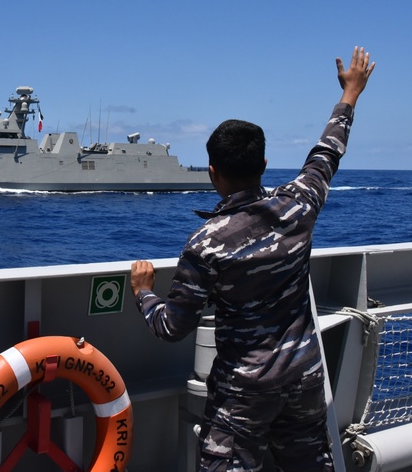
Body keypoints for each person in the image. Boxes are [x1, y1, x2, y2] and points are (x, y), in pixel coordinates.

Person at [130, 46, 376, 472]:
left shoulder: (205, 244)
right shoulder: (298, 206)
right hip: (303, 380)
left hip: (242, 394)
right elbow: (328, 152)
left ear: (212, 172)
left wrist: (144, 294)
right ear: (263, 164)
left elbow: (172, 327)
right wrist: (350, 93)